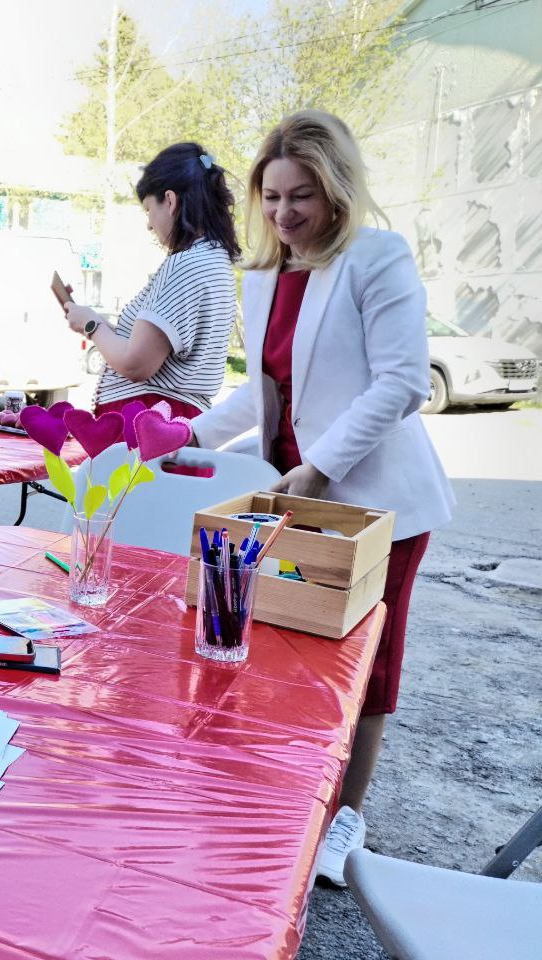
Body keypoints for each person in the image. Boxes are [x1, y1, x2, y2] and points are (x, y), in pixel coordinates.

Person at [188, 110, 455, 886]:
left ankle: (346, 818)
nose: (283, 214)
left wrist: (320, 467)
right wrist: (188, 438)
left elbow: (402, 384)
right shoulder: (266, 275)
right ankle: (289, 791)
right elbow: (264, 393)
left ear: (338, 191)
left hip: (376, 503)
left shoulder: (377, 257)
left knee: (365, 663)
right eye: (270, 197)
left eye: (300, 195)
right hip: (291, 496)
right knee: (284, 645)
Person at [64, 142, 241, 420]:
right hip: (176, 418)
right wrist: (98, 321)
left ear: (170, 201)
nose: (148, 224)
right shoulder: (216, 261)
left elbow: (137, 364)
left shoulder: (186, 265)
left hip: (149, 420)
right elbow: (155, 347)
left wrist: (92, 325)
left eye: (148, 210)